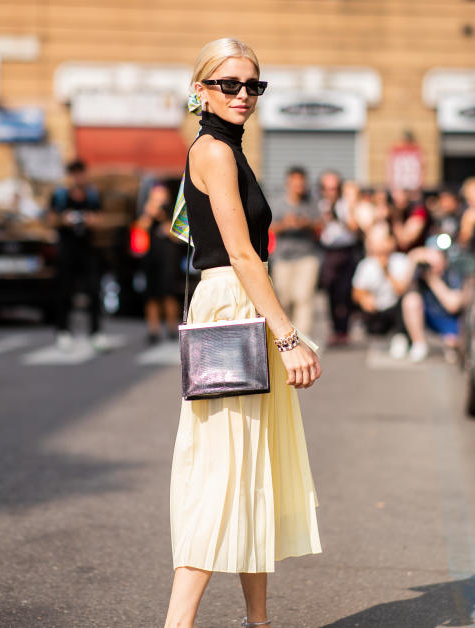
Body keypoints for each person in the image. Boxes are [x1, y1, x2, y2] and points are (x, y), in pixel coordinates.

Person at [165, 38, 322, 628]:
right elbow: (239, 252)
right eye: (229, 84)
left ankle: (259, 622)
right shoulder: (214, 151)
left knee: (251, 472)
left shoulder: (225, 147)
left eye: (253, 86)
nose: (243, 96)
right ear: (201, 88)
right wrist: (287, 338)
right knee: (222, 476)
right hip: (234, 303)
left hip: (238, 303)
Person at [47, 159, 104, 350]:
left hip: (87, 248)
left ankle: (95, 332)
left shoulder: (92, 195)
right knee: (64, 291)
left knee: (93, 291)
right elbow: (51, 218)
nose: (78, 177)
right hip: (67, 248)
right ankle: (63, 331)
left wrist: (89, 220)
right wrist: (65, 219)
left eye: (80, 173)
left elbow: (100, 217)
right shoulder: (60, 195)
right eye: (74, 173)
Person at [269, 166, 321, 335]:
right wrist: (284, 224)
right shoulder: (277, 204)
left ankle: (303, 339)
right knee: (284, 299)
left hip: (307, 256)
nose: (299, 187)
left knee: (303, 297)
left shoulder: (311, 203)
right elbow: (267, 229)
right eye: (295, 184)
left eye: (302, 184)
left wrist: (306, 223)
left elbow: (320, 226)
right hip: (283, 258)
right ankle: (287, 334)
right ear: (288, 183)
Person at [351, 222, 416, 359]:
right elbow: (356, 292)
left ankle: (401, 337)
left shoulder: (401, 261)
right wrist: (364, 298)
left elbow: (401, 289)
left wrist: (386, 270)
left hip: (395, 309)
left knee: (406, 302)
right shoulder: (366, 264)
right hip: (376, 312)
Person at [136, 182, 183, 343]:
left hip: (168, 258)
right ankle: (153, 329)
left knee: (169, 293)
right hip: (151, 258)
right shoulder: (147, 211)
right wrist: (149, 214)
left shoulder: (172, 211)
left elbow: (178, 236)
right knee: (151, 295)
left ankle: (171, 326)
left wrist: (164, 221)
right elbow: (139, 229)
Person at [402, 246, 466, 363]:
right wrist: (412, 260)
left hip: (446, 319)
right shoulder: (418, 273)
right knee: (411, 300)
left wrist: (432, 279)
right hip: (427, 317)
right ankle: (419, 344)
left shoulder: (452, 273)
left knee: (453, 341)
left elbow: (453, 305)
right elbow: (401, 290)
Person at [318, 171, 359, 347]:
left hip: (346, 250)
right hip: (328, 252)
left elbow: (354, 227)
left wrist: (340, 213)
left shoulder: (346, 204)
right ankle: (335, 329)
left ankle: (344, 330)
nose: (331, 192)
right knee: (331, 292)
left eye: (334, 188)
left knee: (345, 292)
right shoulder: (319, 205)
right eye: (327, 188)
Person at [389, 187, 429, 252]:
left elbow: (404, 242)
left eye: (399, 193)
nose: (394, 197)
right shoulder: (390, 211)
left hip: (416, 251)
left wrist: (396, 217)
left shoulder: (418, 211)